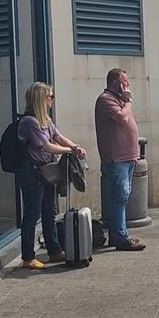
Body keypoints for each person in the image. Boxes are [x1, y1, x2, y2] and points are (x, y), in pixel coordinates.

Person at [17, 83, 87, 269]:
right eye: (50, 97)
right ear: (41, 99)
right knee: (33, 212)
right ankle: (28, 257)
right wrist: (69, 151)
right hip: (31, 170)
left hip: (45, 169)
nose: (52, 100)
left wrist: (74, 146)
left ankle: (54, 249)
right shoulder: (29, 122)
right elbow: (47, 147)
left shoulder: (45, 120)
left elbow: (59, 137)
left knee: (50, 210)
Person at [94, 68, 146, 251]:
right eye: (125, 81)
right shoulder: (106, 99)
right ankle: (120, 237)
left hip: (128, 156)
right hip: (117, 158)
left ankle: (119, 234)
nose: (128, 85)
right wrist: (129, 100)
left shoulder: (119, 100)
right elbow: (122, 118)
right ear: (116, 83)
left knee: (122, 196)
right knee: (119, 196)